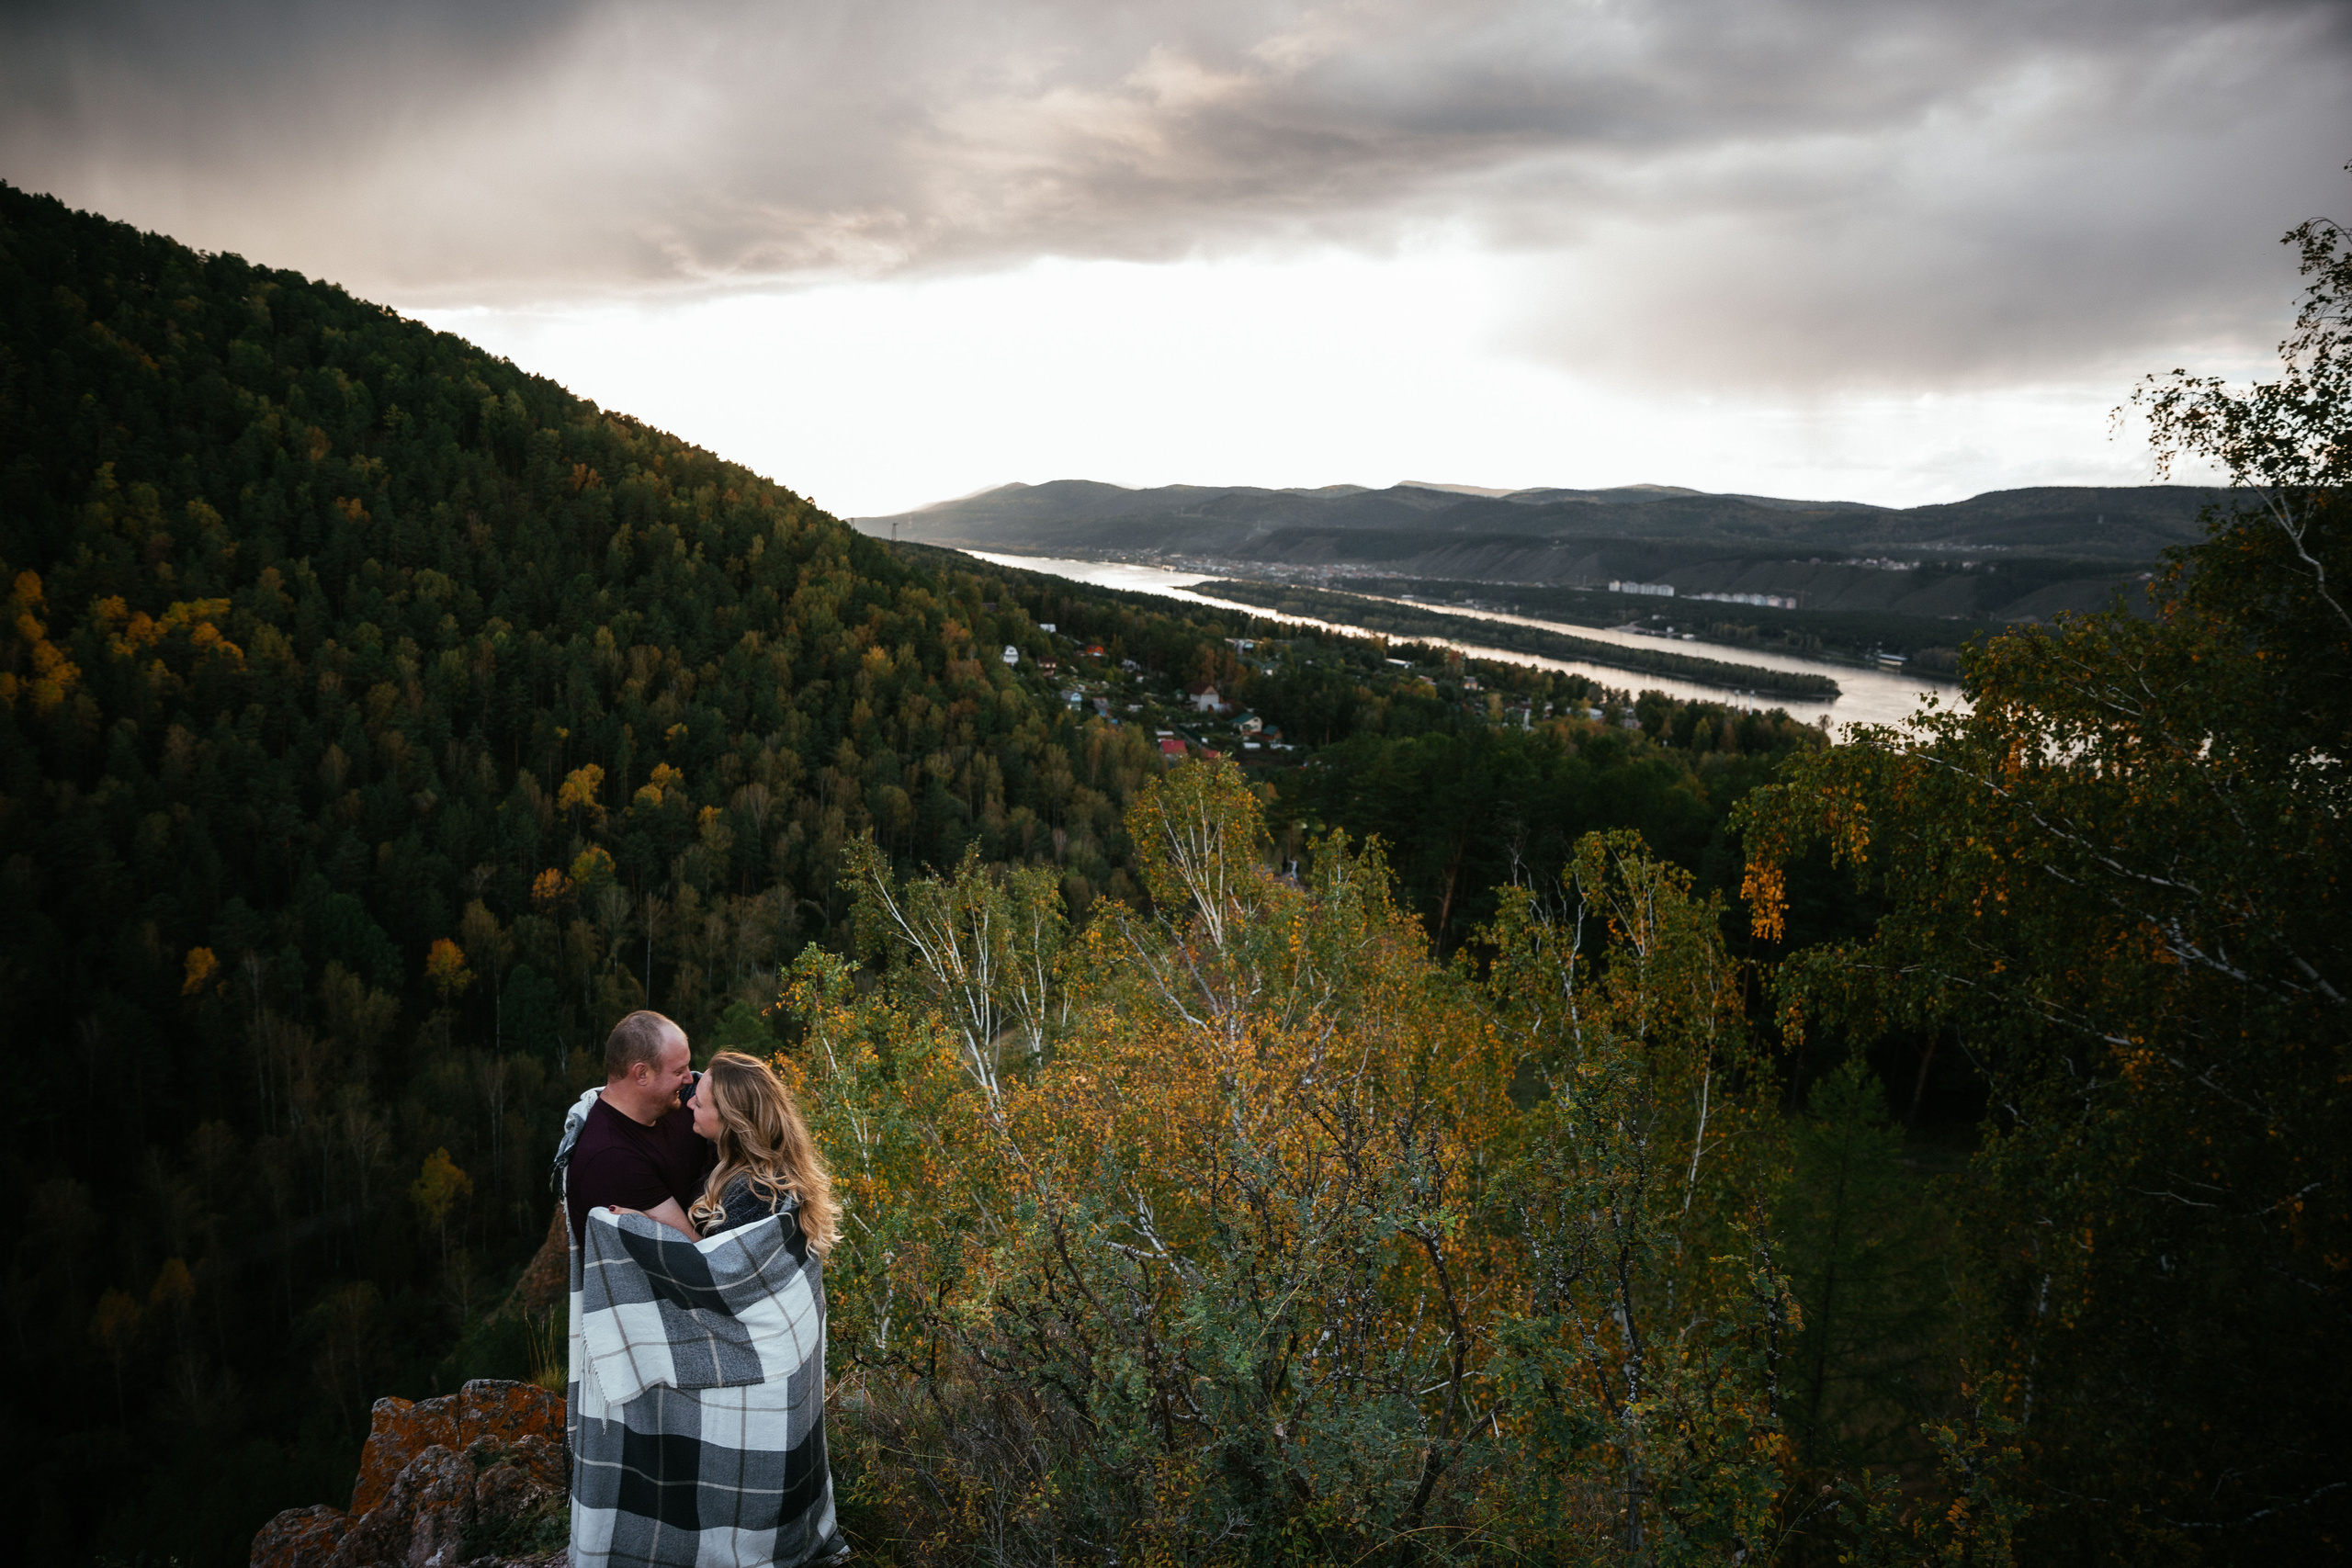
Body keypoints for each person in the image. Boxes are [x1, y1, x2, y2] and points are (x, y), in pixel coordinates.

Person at [563, 1009, 715, 1247]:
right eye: (678, 1071)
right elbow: (697, 1252)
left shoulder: (676, 1106)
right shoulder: (611, 1157)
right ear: (641, 1073)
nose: (689, 1079)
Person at [682, 1050, 842, 1253]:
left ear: (731, 1120)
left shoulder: (760, 1194)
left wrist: (644, 1220)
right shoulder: (731, 1155)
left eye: (698, 1104)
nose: (689, 1103)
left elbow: (721, 1267)